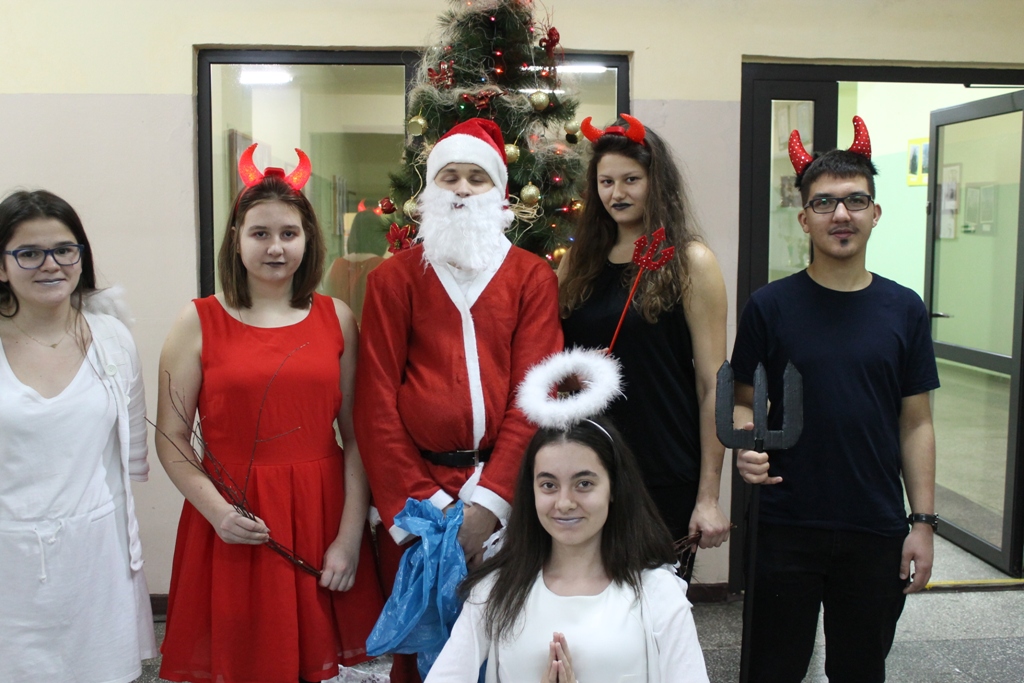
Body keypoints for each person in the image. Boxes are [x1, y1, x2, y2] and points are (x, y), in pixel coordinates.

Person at [156, 148, 383, 683]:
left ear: (308, 240)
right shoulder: (197, 321)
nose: (275, 247)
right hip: (233, 513)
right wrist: (217, 512)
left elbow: (356, 438)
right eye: (260, 233)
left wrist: (348, 538)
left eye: (288, 233)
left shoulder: (338, 319)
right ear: (236, 238)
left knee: (310, 661)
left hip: (319, 510)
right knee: (242, 656)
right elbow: (172, 436)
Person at [731, 116, 939, 682]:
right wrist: (746, 443)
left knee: (860, 668)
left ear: (875, 212)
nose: (840, 214)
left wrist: (922, 523)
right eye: (824, 203)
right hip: (785, 520)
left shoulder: (904, 309)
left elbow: (916, 423)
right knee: (773, 669)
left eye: (854, 200)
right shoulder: (770, 306)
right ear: (804, 218)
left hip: (874, 523)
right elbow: (743, 401)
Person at [354, 117, 563, 682]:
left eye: (477, 177)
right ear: (429, 190)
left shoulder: (531, 278)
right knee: (423, 659)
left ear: (499, 192)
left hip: (506, 495)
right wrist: (427, 510)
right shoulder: (394, 280)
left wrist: (489, 504)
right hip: (420, 495)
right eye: (450, 177)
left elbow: (535, 398)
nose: (464, 190)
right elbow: (375, 404)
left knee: (509, 642)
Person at [424, 409, 709, 683]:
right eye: (549, 485)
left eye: (583, 484)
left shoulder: (657, 592)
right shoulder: (495, 590)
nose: (564, 503)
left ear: (614, 488)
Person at [0, 189, 157, 682]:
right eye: (29, 253)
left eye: (65, 250)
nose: (51, 264)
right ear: (1, 266)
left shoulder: (112, 338)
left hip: (96, 561)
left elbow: (131, 450)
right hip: (9, 566)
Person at [559, 114, 731, 560]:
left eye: (631, 179)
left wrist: (708, 497)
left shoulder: (691, 261)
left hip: (664, 470)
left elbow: (713, 385)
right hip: (586, 467)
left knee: (654, 600)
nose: (617, 193)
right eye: (606, 182)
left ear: (657, 182)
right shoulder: (578, 262)